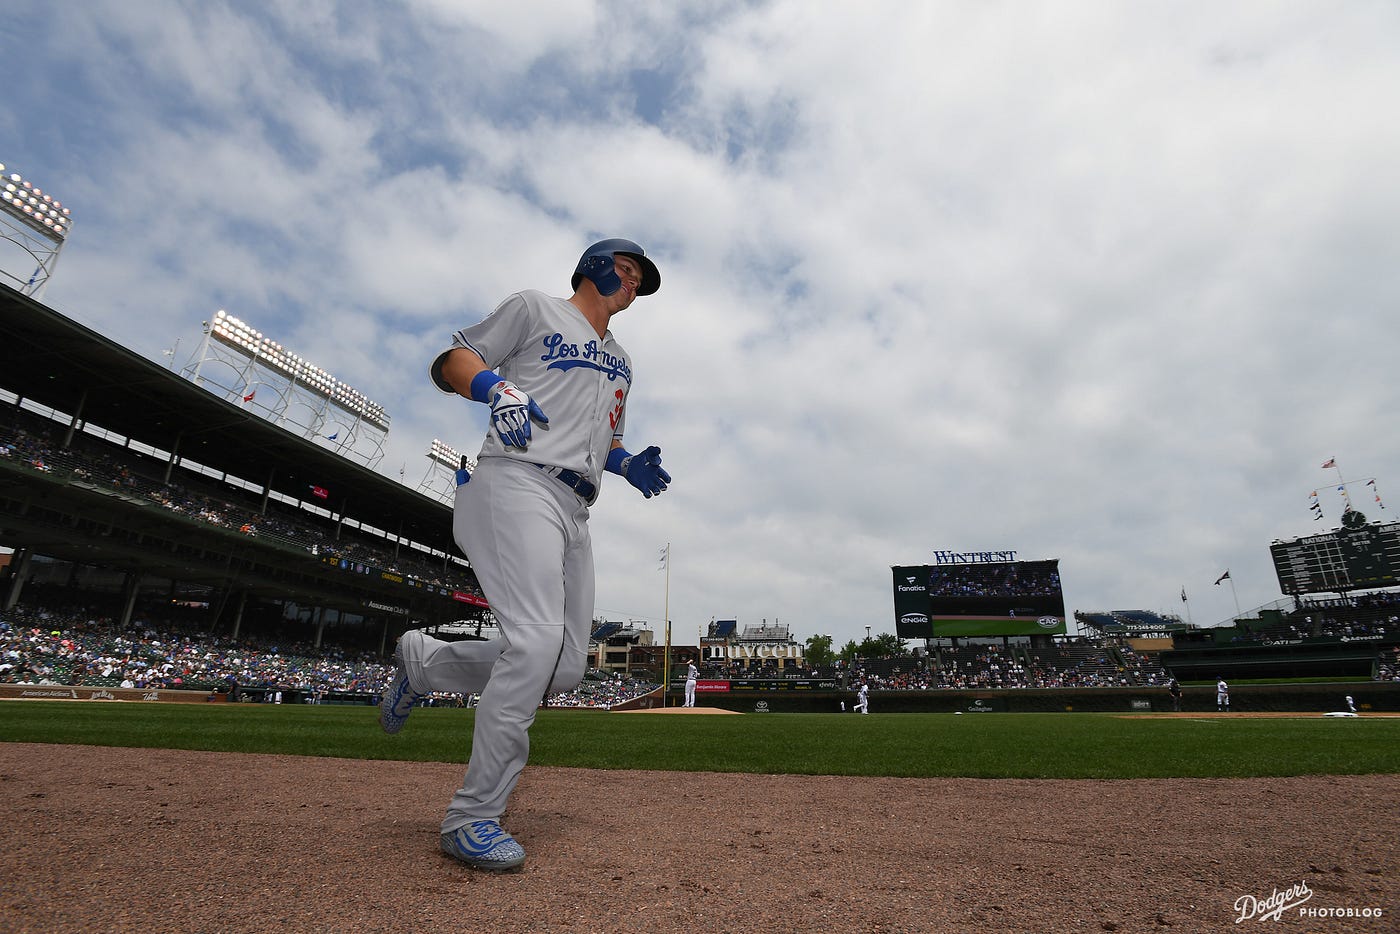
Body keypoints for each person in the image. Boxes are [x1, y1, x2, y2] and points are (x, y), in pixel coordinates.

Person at [378, 238, 670, 873]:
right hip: (516, 480)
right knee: (534, 645)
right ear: (593, 266)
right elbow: (450, 362)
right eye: (626, 270)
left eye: (639, 281)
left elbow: (601, 436)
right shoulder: (536, 308)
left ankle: (425, 662)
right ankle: (472, 816)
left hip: (575, 504)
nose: (631, 284)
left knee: (562, 667)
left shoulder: (621, 359)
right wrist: (492, 388)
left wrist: (625, 461)